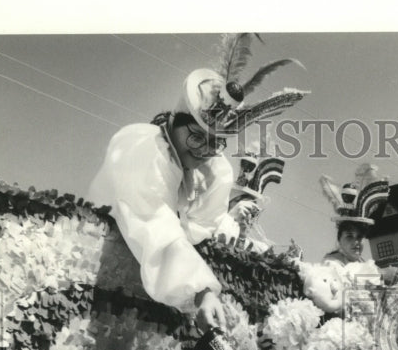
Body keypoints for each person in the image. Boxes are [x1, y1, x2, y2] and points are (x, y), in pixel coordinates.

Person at [89, 61, 304, 332]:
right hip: (97, 280)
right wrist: (201, 289)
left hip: (151, 294)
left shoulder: (211, 170)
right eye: (196, 138)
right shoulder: (145, 146)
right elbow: (155, 222)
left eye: (216, 142)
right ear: (174, 122)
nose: (204, 150)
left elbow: (204, 228)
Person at [324, 218, 398, 285]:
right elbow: (345, 279)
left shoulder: (362, 262)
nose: (356, 242)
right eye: (349, 236)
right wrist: (382, 273)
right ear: (339, 240)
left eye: (359, 237)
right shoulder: (331, 262)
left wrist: (390, 278)